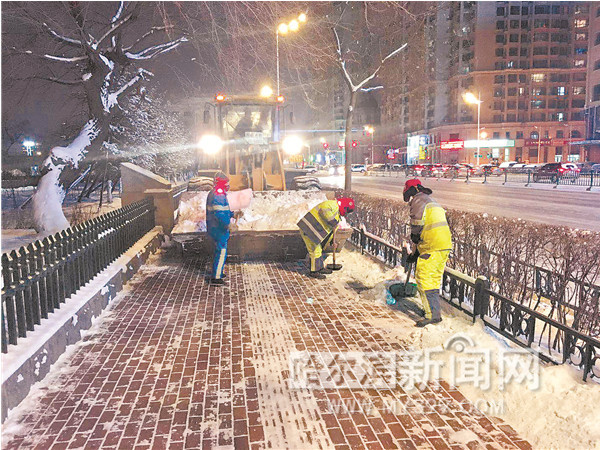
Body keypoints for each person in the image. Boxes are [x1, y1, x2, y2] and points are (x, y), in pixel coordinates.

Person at [403, 178, 452, 327]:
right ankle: (434, 310)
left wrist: (415, 238)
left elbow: (417, 226)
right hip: (443, 245)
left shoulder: (418, 201)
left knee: (423, 278)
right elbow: (429, 226)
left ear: (411, 192)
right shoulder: (431, 201)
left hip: (432, 245)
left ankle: (432, 315)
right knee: (433, 278)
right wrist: (416, 253)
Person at [297, 197, 355, 279]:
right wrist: (333, 222)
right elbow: (324, 211)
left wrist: (332, 241)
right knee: (315, 251)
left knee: (318, 250)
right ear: (345, 207)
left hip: (313, 230)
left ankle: (319, 268)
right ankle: (314, 272)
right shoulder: (332, 205)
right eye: (347, 211)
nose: (346, 213)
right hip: (308, 229)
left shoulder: (337, 213)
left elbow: (332, 230)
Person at [206, 172, 233, 285]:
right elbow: (220, 214)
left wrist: (232, 214)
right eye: (226, 183)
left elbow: (222, 210)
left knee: (219, 251)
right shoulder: (219, 195)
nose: (228, 185)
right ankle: (216, 277)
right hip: (219, 229)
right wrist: (228, 224)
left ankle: (219, 271)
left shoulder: (214, 193)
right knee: (221, 251)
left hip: (213, 226)